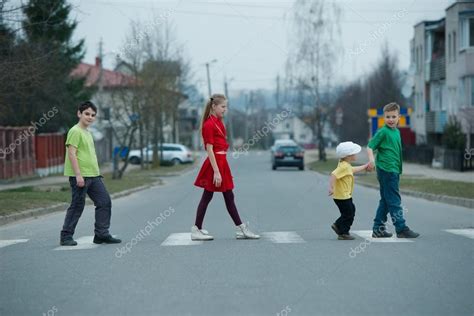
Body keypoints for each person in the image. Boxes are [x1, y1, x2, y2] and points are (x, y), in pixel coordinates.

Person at [192, 94, 260, 241]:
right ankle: (198, 229)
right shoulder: (209, 125)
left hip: (222, 163)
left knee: (225, 196)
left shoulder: (218, 122)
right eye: (223, 106)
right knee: (213, 196)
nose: (225, 109)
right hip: (215, 164)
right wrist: (216, 171)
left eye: (226, 106)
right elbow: (209, 149)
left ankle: (238, 228)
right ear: (214, 107)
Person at [60, 101, 121, 246]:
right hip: (81, 176)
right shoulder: (75, 131)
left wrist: (96, 173)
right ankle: (66, 236)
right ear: (79, 114)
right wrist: (78, 175)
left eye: (93, 115)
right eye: (87, 114)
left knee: (104, 202)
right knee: (77, 206)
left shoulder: (87, 132)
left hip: (94, 175)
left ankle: (101, 235)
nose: (90, 117)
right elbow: (72, 154)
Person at [367, 102, 419, 238]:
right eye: (388, 117)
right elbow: (370, 146)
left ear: (399, 117)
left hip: (393, 170)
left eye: (393, 117)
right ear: (383, 117)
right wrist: (372, 161)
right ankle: (401, 228)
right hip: (386, 170)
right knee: (394, 200)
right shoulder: (383, 132)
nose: (390, 119)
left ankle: (378, 229)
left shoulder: (396, 132)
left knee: (385, 200)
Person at [329, 142, 369, 240]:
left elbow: (352, 170)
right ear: (348, 156)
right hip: (342, 196)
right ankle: (343, 233)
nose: (356, 155)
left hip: (343, 196)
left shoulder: (345, 164)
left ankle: (338, 225)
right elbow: (333, 174)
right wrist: (331, 187)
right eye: (354, 154)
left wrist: (364, 166)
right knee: (349, 213)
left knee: (349, 211)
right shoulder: (344, 166)